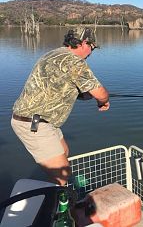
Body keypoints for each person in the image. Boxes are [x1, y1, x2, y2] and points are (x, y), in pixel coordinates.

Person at [11, 27, 110, 185]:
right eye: (92, 48)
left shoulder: (54, 54)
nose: (91, 53)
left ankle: (61, 189)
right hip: (33, 123)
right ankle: (61, 206)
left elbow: (69, 91)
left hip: (45, 121)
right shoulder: (75, 62)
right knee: (61, 176)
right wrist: (103, 101)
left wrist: (88, 95)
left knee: (64, 151)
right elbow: (101, 93)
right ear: (84, 43)